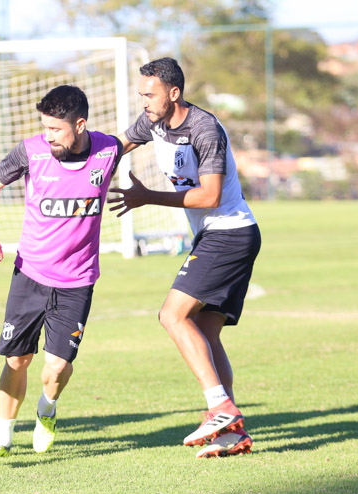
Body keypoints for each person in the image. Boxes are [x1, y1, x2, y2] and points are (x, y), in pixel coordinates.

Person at [109, 57, 260, 458]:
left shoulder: (205, 128)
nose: (143, 101)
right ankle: (233, 433)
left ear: (174, 93)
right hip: (219, 235)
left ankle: (220, 407)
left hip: (229, 234)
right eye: (140, 94)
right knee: (207, 335)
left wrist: (148, 197)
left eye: (149, 94)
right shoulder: (154, 120)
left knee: (172, 316)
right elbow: (119, 145)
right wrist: (85, 168)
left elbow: (210, 196)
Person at [0, 85, 123, 461]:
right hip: (30, 274)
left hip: (78, 282)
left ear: (80, 124)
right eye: (44, 127)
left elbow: (138, 132)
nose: (48, 135)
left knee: (56, 368)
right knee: (16, 361)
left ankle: (47, 409)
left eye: (56, 129)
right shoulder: (31, 151)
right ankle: (3, 437)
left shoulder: (108, 151)